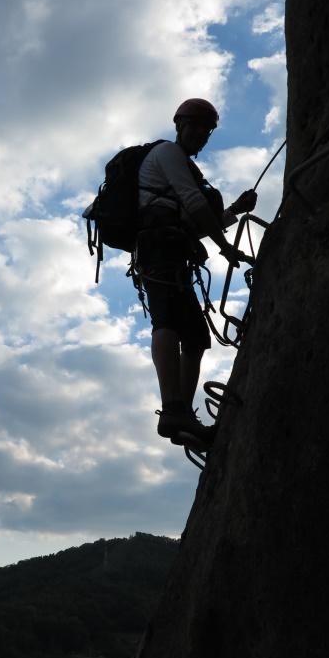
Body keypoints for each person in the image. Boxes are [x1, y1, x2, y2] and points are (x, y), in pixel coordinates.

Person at [135, 98, 256, 451]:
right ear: (180, 124)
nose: (202, 136)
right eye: (197, 127)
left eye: (207, 131)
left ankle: (182, 413)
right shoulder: (168, 155)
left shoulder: (183, 166)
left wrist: (234, 211)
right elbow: (194, 203)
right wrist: (225, 248)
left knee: (197, 338)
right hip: (159, 253)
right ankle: (173, 408)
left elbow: (193, 221)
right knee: (167, 321)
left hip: (173, 252)